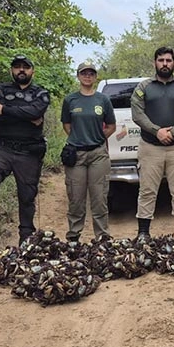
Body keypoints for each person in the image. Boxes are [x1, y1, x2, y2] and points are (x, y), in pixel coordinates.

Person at [0, 54, 50, 246]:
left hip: (29, 152)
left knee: (27, 197)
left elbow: (36, 111)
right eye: (17, 66)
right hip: (3, 150)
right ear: (11, 70)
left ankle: (26, 238)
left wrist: (5, 109)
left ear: (32, 71)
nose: (21, 70)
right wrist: (26, 115)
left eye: (25, 67)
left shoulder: (41, 92)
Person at [130, 47, 174, 241]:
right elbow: (137, 113)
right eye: (161, 60)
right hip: (150, 147)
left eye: (168, 60)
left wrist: (173, 132)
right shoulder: (144, 87)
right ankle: (143, 233)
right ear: (155, 63)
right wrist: (156, 131)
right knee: (147, 191)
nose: (165, 64)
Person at [61, 62, 116, 243]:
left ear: (95, 76)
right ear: (78, 76)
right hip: (76, 155)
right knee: (76, 199)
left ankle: (102, 237)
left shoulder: (103, 100)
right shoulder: (70, 100)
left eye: (91, 73)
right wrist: (79, 138)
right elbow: (67, 125)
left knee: (99, 199)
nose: (87, 76)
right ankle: (73, 237)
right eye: (84, 73)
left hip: (98, 154)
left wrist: (97, 138)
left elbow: (111, 126)